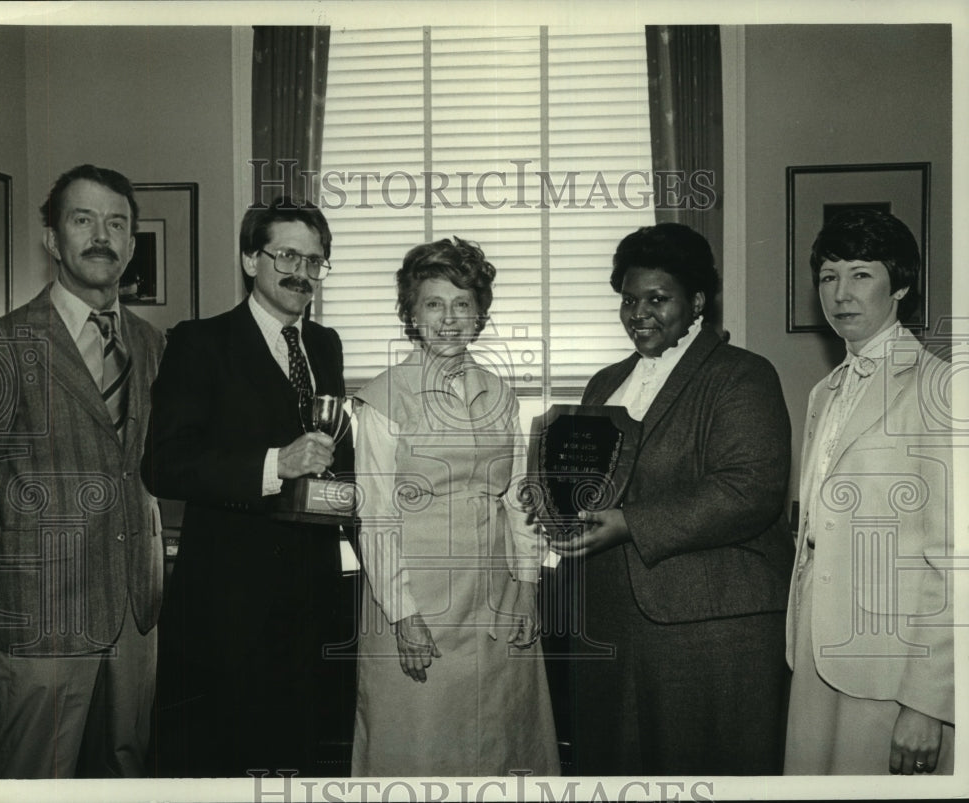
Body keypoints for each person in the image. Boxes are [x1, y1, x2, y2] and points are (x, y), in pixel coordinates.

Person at [551, 222, 794, 775]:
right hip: (610, 627)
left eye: (658, 299)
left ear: (698, 301)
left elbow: (749, 489)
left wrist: (629, 523)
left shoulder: (742, 376)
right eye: (629, 299)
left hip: (710, 634)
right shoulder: (603, 382)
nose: (639, 313)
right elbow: (587, 482)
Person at [141, 197, 354, 777]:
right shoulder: (199, 342)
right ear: (248, 258)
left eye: (315, 261)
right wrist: (272, 464)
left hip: (313, 599)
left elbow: (334, 456)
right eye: (287, 255)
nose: (302, 273)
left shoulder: (326, 345)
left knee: (302, 756)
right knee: (229, 759)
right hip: (228, 605)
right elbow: (164, 464)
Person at [350, 237, 560, 777]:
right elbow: (374, 515)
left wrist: (530, 588)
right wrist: (403, 617)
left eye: (462, 304)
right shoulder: (383, 397)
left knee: (500, 743)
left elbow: (517, 497)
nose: (449, 319)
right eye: (434, 304)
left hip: (496, 599)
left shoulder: (500, 393)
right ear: (411, 314)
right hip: (416, 600)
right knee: (419, 747)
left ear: (479, 315)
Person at [0, 164, 166, 778]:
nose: (101, 236)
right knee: (38, 773)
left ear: (132, 242)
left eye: (116, 223)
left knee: (126, 770)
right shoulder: (3, 345)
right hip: (44, 613)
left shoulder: (152, 344)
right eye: (82, 219)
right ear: (51, 239)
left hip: (134, 608)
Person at [783, 209, 954, 774]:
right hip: (815, 647)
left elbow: (954, 560)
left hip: (892, 664)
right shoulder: (823, 392)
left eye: (861, 275)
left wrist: (928, 704)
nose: (840, 294)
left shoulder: (941, 388)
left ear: (900, 285)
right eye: (829, 277)